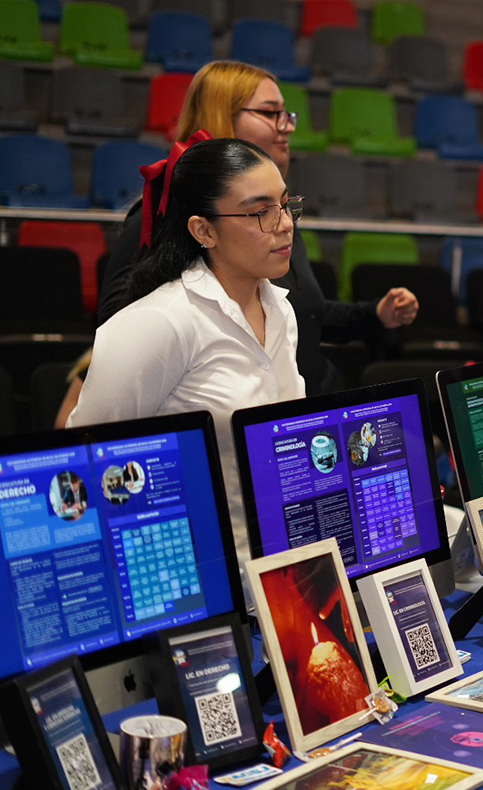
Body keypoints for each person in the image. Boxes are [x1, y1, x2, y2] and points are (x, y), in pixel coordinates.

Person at [99, 60, 418, 395]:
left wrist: (374, 314)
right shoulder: (165, 213)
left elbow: (308, 313)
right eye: (270, 113)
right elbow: (122, 329)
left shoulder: (280, 216)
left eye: (286, 114)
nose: (288, 126)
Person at [69, 137, 305, 574]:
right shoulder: (160, 321)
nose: (285, 224)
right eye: (260, 212)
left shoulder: (280, 309)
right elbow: (85, 457)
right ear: (203, 230)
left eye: (286, 205)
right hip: (189, 575)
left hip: (276, 567)